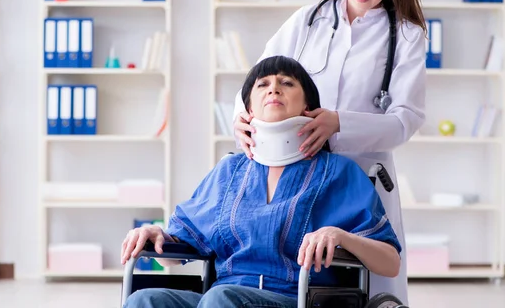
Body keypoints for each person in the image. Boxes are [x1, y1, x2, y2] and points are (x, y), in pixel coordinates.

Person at [232, 0, 426, 305]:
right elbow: (259, 79)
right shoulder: (308, 19)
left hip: (357, 178)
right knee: (289, 275)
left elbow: (406, 120)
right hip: (294, 170)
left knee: (360, 283)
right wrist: (241, 119)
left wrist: (340, 123)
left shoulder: (406, 35)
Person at [121, 56, 402, 308]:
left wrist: (341, 236)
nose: (274, 88)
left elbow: (390, 263)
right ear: (248, 111)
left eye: (287, 82)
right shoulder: (230, 171)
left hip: (298, 299)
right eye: (263, 84)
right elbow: (172, 255)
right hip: (221, 297)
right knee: (144, 299)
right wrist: (157, 237)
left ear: (307, 106)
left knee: (222, 299)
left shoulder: (338, 172)